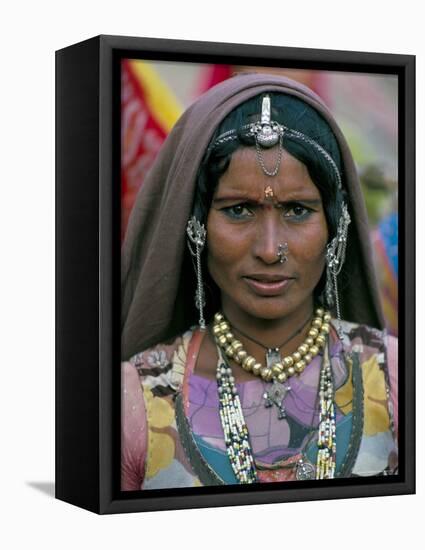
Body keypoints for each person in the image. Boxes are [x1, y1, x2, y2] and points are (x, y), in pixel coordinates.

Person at [120, 73, 398, 490]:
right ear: (195, 224)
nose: (270, 250)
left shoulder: (399, 380)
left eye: (298, 210)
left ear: (336, 227)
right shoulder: (133, 403)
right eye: (239, 210)